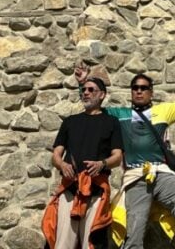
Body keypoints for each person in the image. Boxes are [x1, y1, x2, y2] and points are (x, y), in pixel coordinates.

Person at [75, 56, 175, 249]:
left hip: (161, 173)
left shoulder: (164, 111)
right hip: (136, 178)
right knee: (134, 227)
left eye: (143, 88)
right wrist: (84, 83)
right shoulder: (120, 115)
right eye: (135, 88)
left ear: (151, 92)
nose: (139, 91)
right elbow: (94, 107)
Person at [42, 76, 124, 249]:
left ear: (102, 95)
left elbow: (117, 157)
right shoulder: (70, 121)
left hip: (96, 192)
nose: (85, 93)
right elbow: (56, 154)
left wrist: (102, 164)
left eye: (91, 90)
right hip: (70, 190)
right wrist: (62, 165)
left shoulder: (111, 122)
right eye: (83, 90)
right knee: (62, 244)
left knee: (91, 244)